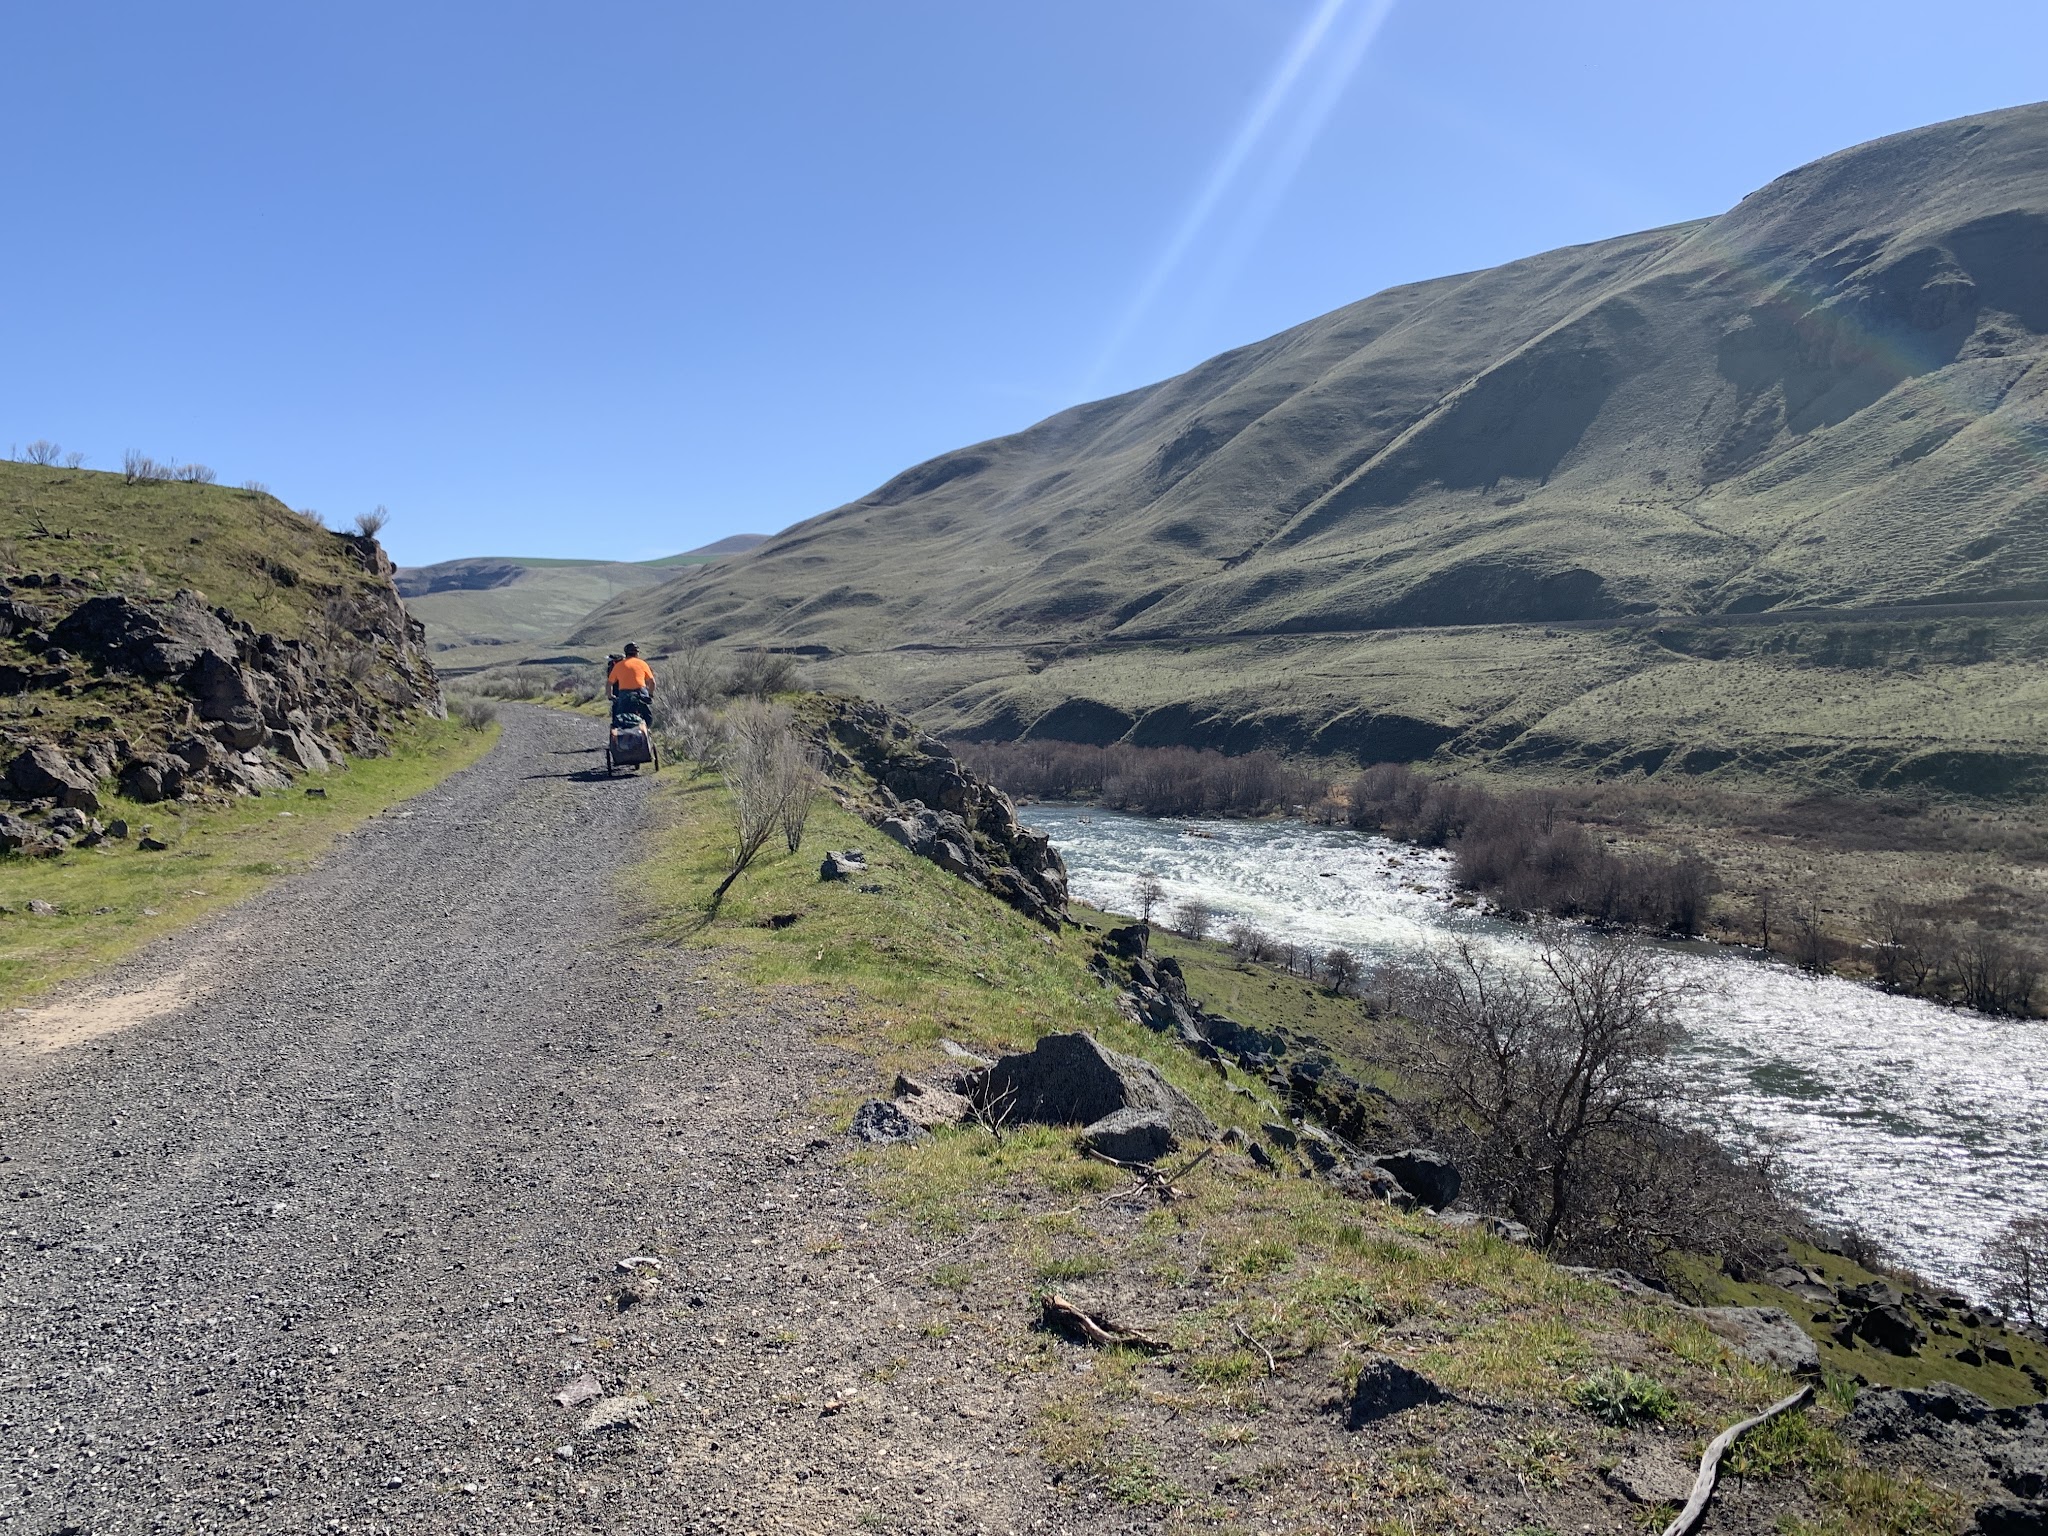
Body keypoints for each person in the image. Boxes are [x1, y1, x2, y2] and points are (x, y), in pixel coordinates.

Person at [607, 644, 655, 725]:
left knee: (618, 717)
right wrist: (650, 695)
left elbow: (609, 684)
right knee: (647, 718)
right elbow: (652, 682)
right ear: (637, 654)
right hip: (641, 692)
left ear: (626, 654)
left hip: (624, 694)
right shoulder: (643, 664)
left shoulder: (619, 665)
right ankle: (646, 730)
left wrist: (610, 696)